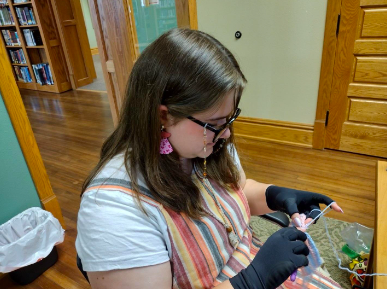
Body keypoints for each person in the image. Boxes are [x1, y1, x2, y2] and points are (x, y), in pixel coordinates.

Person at [76, 28, 343, 289]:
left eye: (229, 119)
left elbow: (235, 191)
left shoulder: (207, 143)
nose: (226, 132)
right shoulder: (113, 209)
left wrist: (276, 196)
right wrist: (253, 280)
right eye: (215, 122)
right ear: (163, 116)